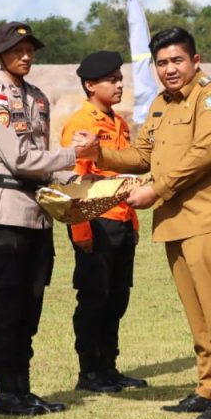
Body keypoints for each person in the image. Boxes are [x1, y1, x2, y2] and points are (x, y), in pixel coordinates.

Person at [74, 26, 211, 419]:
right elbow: (142, 154)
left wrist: (157, 189)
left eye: (177, 60)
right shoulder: (160, 104)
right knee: (196, 309)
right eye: (162, 62)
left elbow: (205, 154)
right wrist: (97, 151)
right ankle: (208, 388)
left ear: (195, 61)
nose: (169, 69)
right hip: (176, 218)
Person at [0, 21, 91, 416]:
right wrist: (71, 157)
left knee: (31, 307)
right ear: (0, 54)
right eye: (17, 50)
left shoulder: (38, 97)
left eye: (30, 49)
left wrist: (75, 181)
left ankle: (22, 390)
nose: (26, 56)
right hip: (10, 216)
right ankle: (6, 392)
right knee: (9, 308)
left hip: (40, 214)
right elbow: (20, 159)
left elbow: (43, 161)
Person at [59, 50, 147, 394]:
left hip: (121, 221)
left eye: (120, 78)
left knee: (117, 298)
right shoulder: (82, 125)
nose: (119, 84)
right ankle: (89, 371)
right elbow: (74, 181)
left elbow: (123, 175)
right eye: (112, 80)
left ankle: (109, 367)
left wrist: (133, 224)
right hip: (95, 222)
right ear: (90, 85)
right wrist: (80, 230)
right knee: (94, 297)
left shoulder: (118, 123)